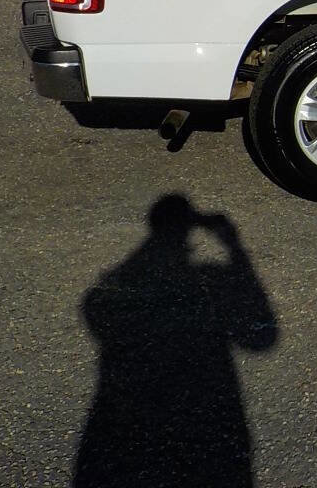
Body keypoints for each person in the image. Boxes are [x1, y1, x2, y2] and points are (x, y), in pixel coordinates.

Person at [73, 194, 277, 488]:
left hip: (126, 417)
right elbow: (260, 339)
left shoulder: (118, 286)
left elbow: (96, 308)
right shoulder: (208, 277)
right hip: (205, 411)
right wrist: (234, 248)